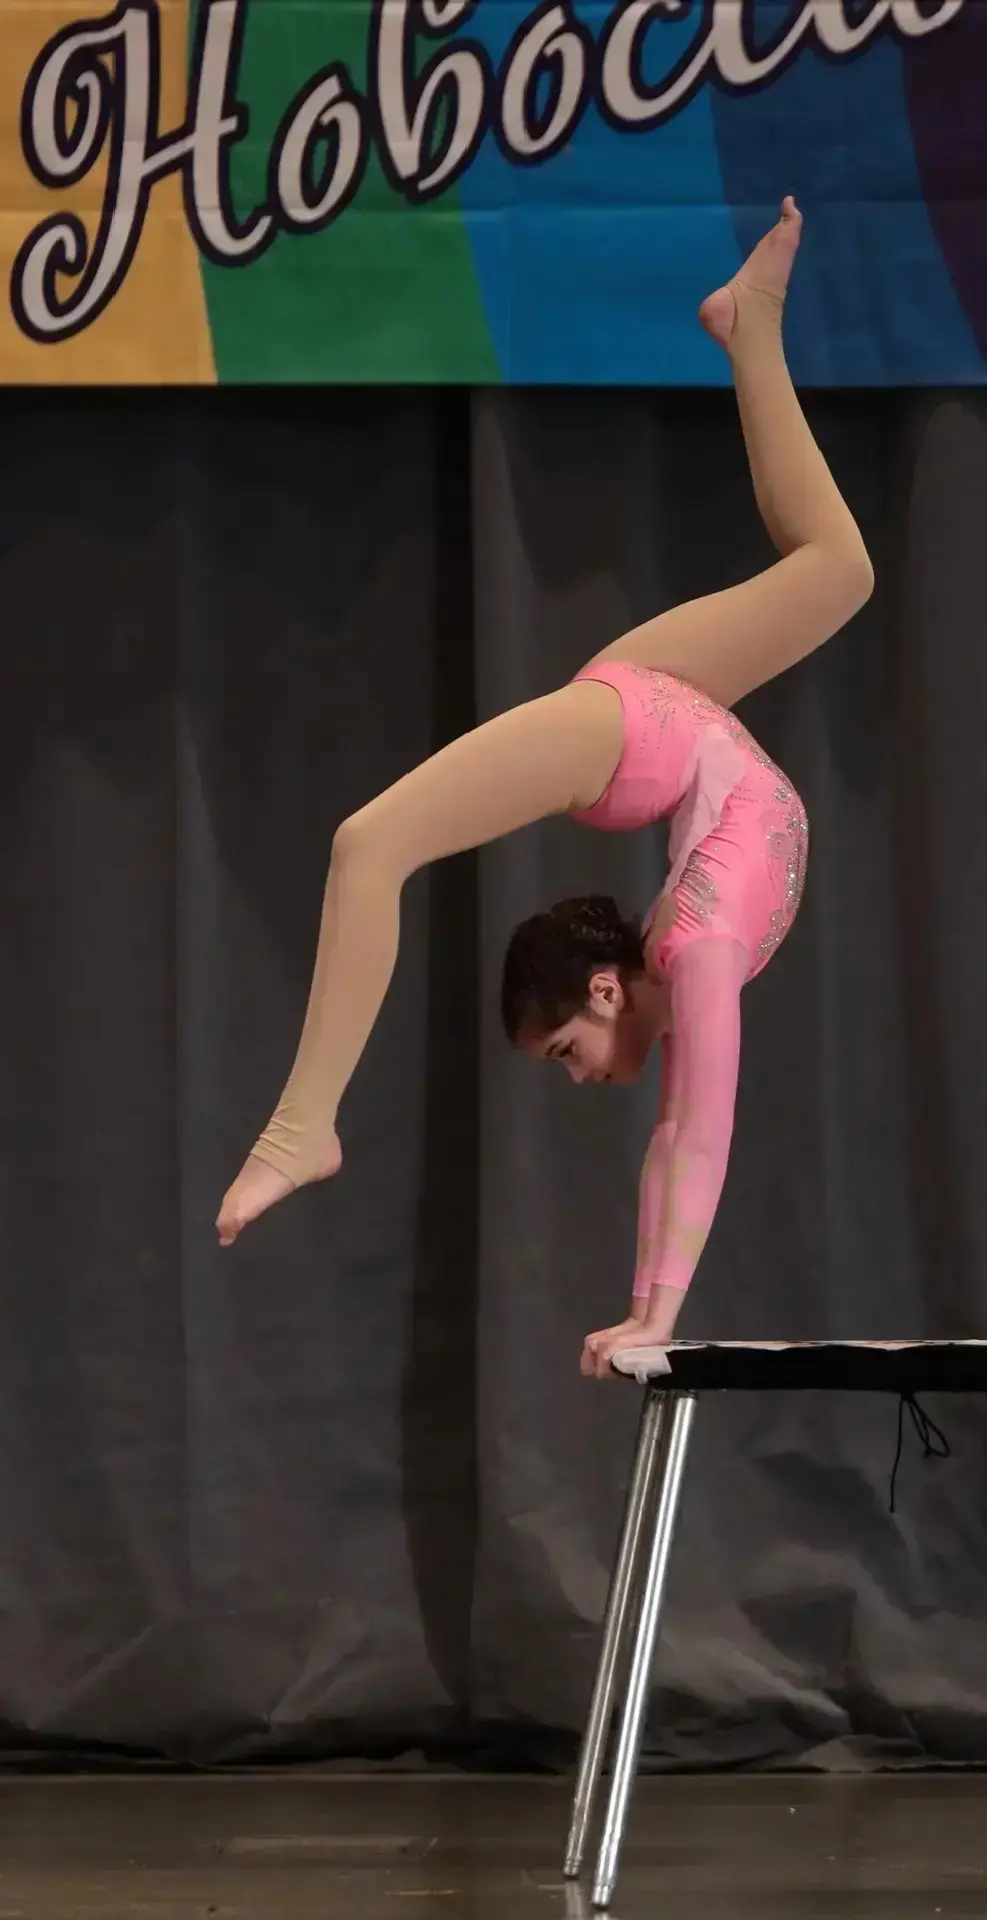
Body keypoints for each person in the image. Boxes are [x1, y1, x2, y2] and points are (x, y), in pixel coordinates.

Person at [215, 197, 874, 1378]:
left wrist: (655, 1313)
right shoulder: (680, 949)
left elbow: (694, 1130)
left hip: (637, 731)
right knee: (836, 571)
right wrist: (646, 1308)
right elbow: (682, 1125)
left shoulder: (695, 950)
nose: (579, 1077)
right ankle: (750, 328)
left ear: (606, 990)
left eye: (565, 1049)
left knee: (371, 844)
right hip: (666, 715)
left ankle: (301, 1126)